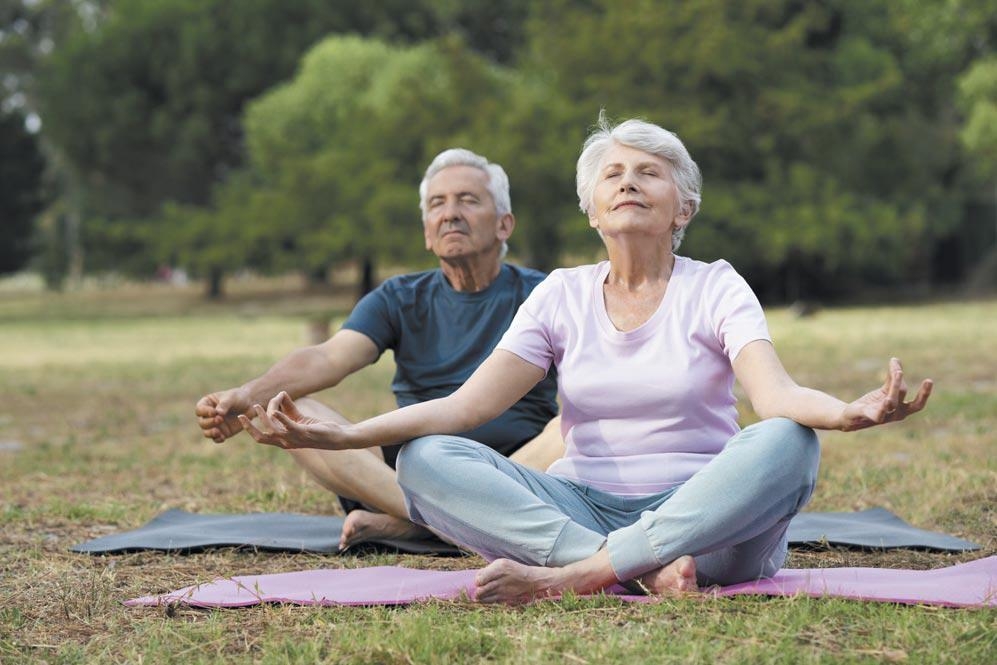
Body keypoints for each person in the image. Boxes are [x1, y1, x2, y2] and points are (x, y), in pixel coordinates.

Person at [238, 117, 933, 604]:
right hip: (583, 509)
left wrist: (846, 411)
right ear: (592, 208)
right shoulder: (561, 294)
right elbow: (465, 408)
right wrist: (347, 434)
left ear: (682, 204)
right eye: (613, 173)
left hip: (708, 525)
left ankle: (579, 576)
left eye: (649, 173)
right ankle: (626, 568)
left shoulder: (715, 284)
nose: (628, 182)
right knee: (426, 458)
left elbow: (774, 396)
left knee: (787, 442)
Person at [195, 148, 562, 549]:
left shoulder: (545, 293)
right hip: (412, 470)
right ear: (427, 231)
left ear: (504, 225)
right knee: (292, 410)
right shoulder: (398, 297)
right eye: (437, 204)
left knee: (571, 428)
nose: (450, 213)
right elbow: (329, 357)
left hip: (518, 466)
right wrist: (248, 395)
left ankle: (416, 525)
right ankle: (448, 521)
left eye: (468, 200)